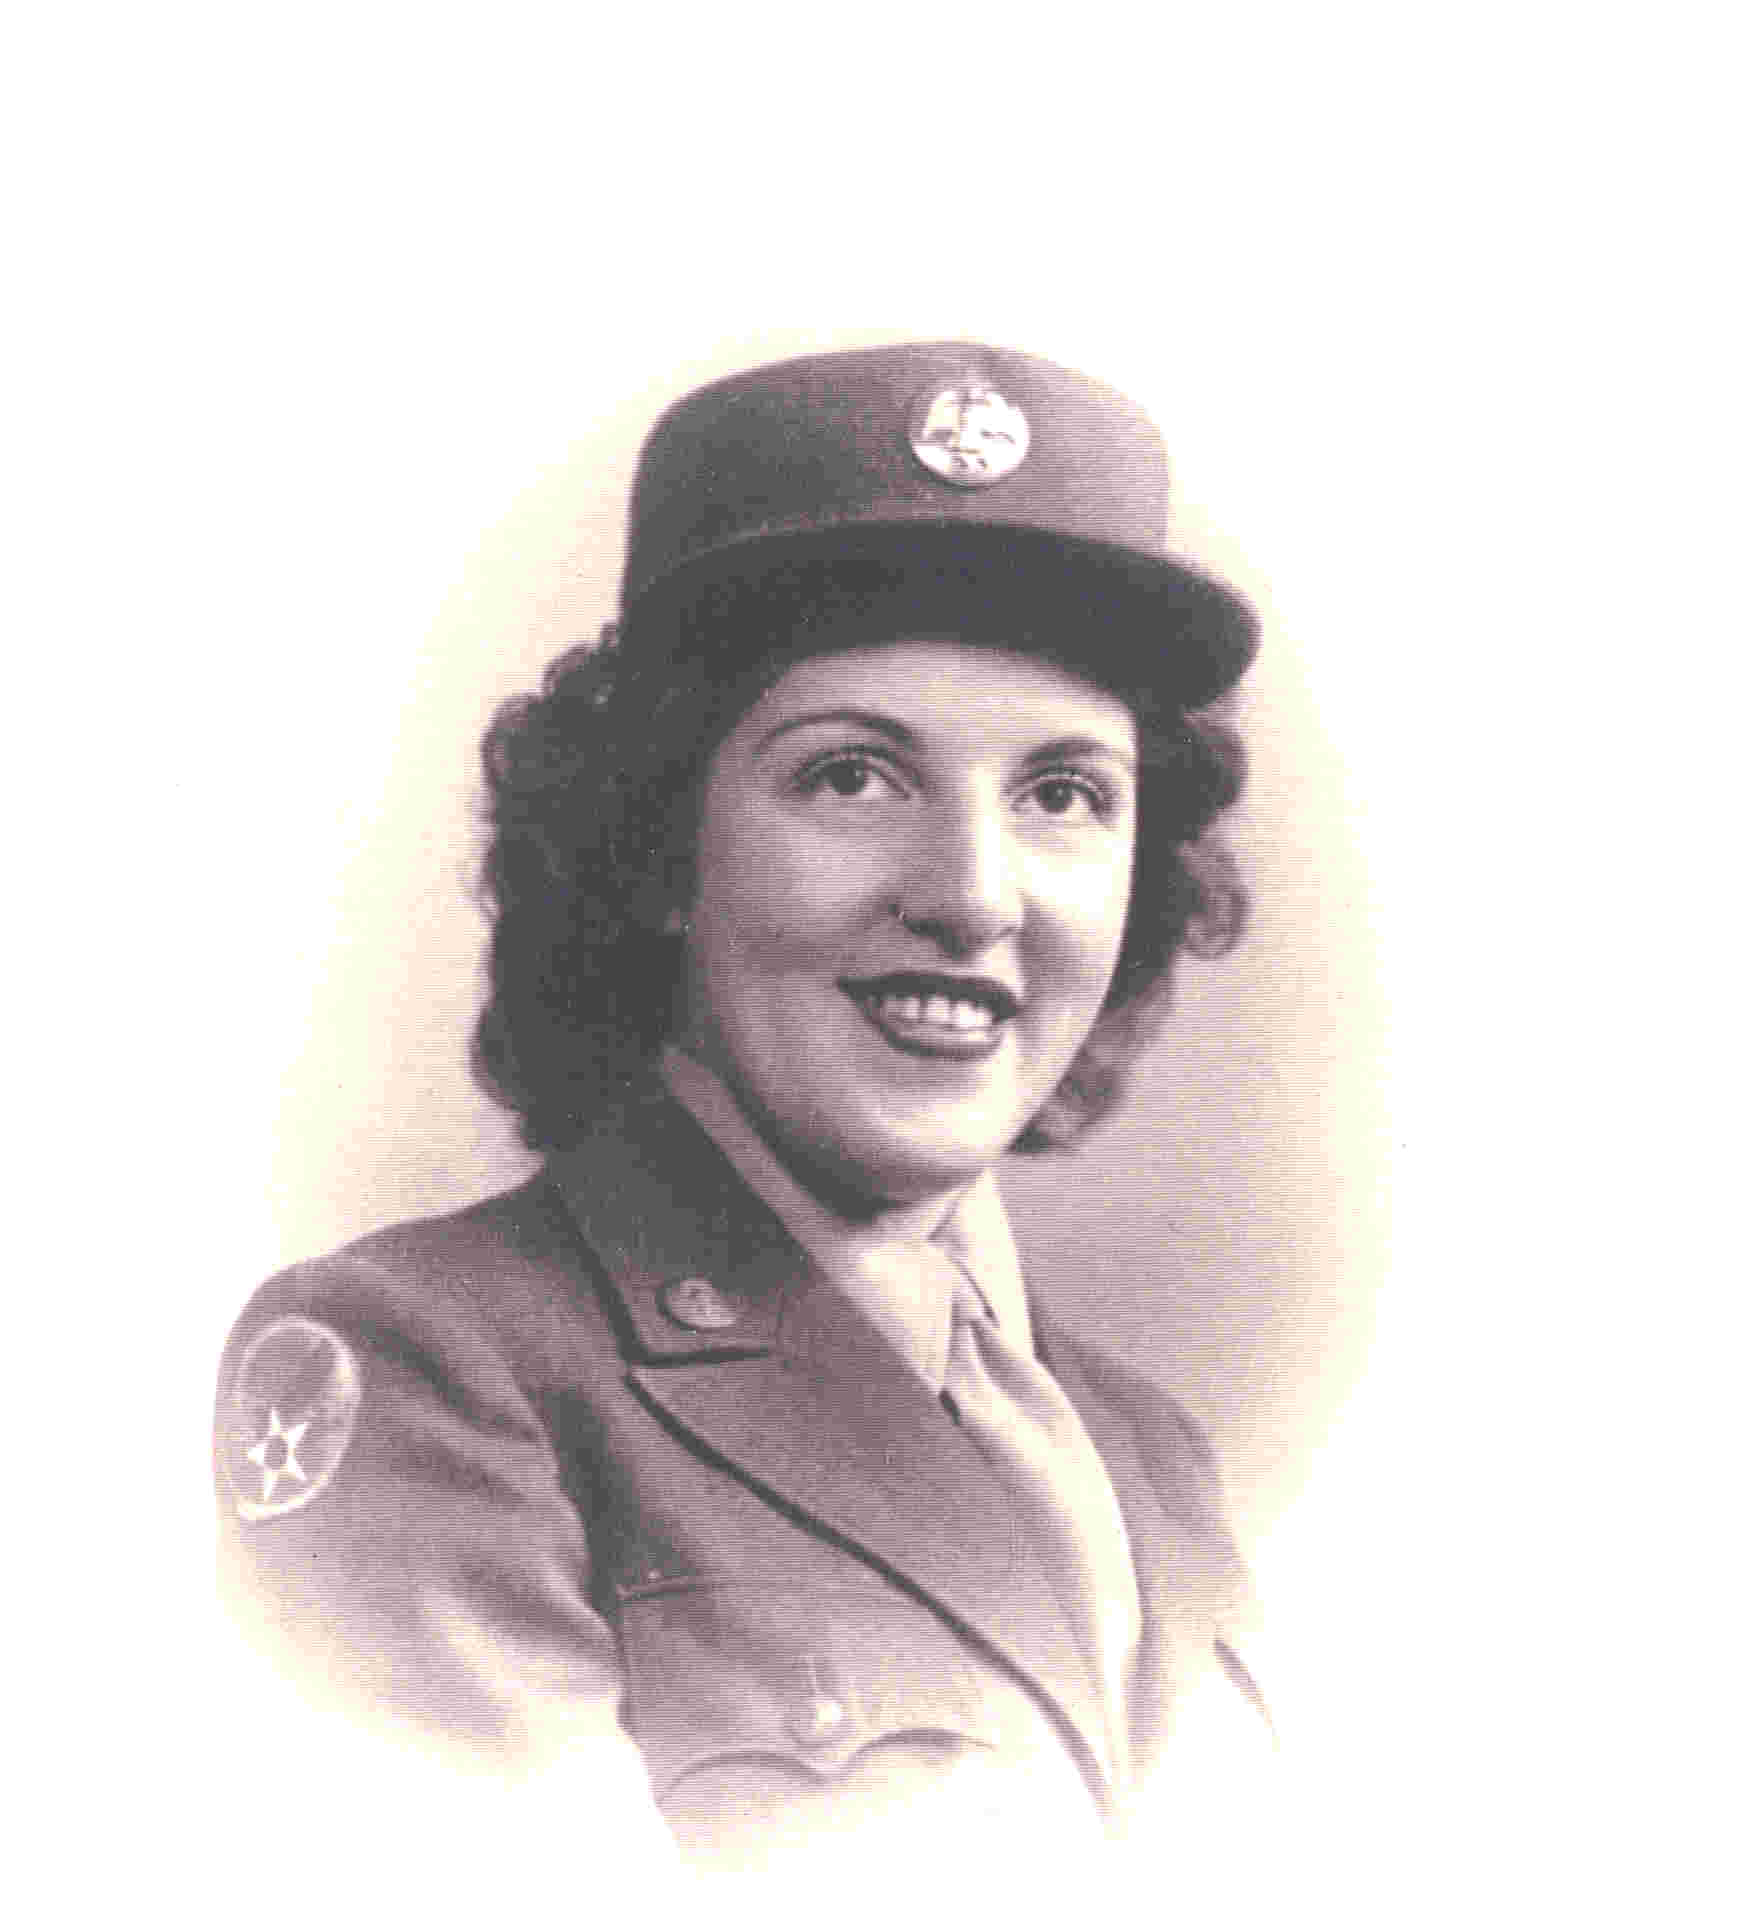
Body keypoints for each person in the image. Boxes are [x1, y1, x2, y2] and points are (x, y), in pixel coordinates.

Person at [212, 341, 1272, 1881]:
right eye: (853, 778)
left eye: (1063, 795)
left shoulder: (1149, 1454)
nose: (975, 899)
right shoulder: (431, 1375)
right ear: (657, 850)